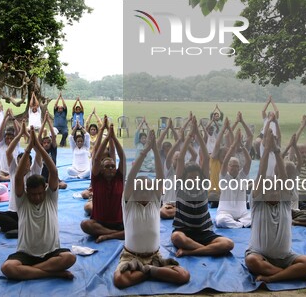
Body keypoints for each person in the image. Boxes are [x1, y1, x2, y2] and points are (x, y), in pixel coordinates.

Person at [114, 129, 190, 289]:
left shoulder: (155, 201)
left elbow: (160, 176)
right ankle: (151, 272)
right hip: (130, 256)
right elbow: (131, 176)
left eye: (148, 188)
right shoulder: (128, 203)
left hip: (155, 256)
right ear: (133, 191)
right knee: (119, 280)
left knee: (184, 275)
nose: (144, 191)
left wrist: (155, 149)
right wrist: (145, 151)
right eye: (139, 188)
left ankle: (147, 270)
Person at [1, 127, 76, 280]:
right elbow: (17, 179)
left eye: (40, 193)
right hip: (26, 254)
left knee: (70, 258)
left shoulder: (51, 198)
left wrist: (39, 148)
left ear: (46, 189)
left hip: (51, 252)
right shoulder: (22, 201)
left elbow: (53, 172)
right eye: (33, 194)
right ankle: (53, 273)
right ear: (27, 191)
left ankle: (31, 271)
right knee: (7, 268)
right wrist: (28, 150)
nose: (36, 197)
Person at [245, 127, 306, 283]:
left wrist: (277, 151)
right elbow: (261, 174)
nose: (275, 191)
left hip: (285, 257)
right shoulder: (259, 204)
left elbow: (284, 178)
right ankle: (290, 274)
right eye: (270, 189)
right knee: (252, 261)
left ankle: (273, 277)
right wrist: (266, 151)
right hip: (260, 255)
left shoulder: (284, 203)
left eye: (277, 189)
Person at [171, 117, 234, 257]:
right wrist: (189, 136)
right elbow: (180, 159)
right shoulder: (180, 187)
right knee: (176, 238)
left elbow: (206, 157)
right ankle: (204, 250)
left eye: (196, 177)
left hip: (204, 232)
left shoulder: (203, 185)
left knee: (228, 244)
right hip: (184, 231)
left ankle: (191, 251)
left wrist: (198, 134)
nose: (194, 180)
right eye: (190, 178)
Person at [81, 121, 126, 242]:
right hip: (99, 222)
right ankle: (117, 234)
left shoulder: (119, 178)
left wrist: (113, 137)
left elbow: (122, 157)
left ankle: (108, 235)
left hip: (119, 222)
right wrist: (106, 138)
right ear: (101, 169)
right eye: (107, 166)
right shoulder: (97, 179)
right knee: (85, 225)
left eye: (113, 166)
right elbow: (96, 158)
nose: (111, 168)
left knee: (137, 226)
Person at [215, 130, 252, 229]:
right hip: (226, 213)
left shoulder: (242, 176)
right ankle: (241, 225)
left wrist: (242, 145)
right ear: (228, 167)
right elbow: (225, 161)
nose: (235, 168)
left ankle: (238, 224)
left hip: (242, 214)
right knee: (221, 220)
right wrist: (234, 144)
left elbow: (249, 161)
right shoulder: (224, 177)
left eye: (237, 166)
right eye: (232, 166)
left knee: (255, 217)